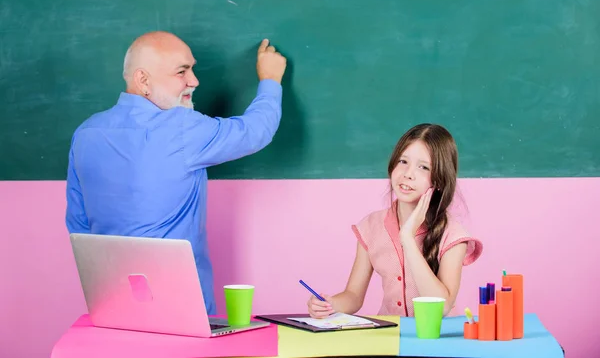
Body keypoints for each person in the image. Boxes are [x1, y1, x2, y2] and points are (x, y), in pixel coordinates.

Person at [65, 31, 287, 315]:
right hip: (181, 302)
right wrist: (270, 80)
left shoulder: (86, 133)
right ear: (143, 80)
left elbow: (78, 223)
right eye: (182, 71)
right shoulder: (182, 127)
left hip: (111, 299)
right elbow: (255, 132)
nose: (194, 81)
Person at [307, 123, 483, 318]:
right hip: (390, 338)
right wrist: (331, 304)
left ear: (439, 180)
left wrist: (408, 239)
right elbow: (354, 296)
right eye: (403, 161)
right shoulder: (371, 226)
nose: (408, 173)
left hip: (438, 340)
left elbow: (441, 307)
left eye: (423, 167)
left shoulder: (452, 235)